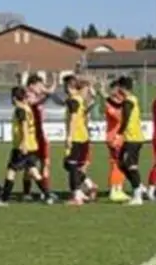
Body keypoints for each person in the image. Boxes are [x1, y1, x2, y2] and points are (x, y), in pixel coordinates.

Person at [0, 85, 47, 204]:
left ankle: (4, 199)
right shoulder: (27, 108)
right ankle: (48, 195)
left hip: (22, 146)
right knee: (33, 171)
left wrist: (23, 143)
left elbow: (24, 126)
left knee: (11, 170)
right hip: (32, 145)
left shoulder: (20, 109)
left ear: (14, 98)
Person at [63, 75, 98, 205]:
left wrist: (69, 137)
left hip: (77, 138)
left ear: (68, 86)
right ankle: (89, 185)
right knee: (72, 165)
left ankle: (77, 196)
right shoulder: (79, 99)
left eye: (65, 86)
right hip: (83, 138)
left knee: (72, 166)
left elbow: (73, 119)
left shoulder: (73, 101)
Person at [24, 74, 58, 203]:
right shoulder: (27, 95)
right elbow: (35, 102)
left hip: (40, 135)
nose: (41, 88)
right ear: (32, 86)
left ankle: (46, 191)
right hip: (31, 136)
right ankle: (27, 192)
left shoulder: (38, 96)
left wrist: (51, 87)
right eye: (39, 85)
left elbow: (44, 97)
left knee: (45, 163)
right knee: (30, 167)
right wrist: (47, 93)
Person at [114, 75, 146, 205]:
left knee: (129, 165)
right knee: (122, 164)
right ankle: (139, 186)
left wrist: (119, 134)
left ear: (122, 88)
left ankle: (137, 194)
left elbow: (125, 119)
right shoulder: (131, 99)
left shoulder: (128, 102)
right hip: (134, 138)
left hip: (132, 138)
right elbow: (116, 104)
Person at [103, 81, 127, 202]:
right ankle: (114, 189)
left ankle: (119, 188)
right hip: (114, 137)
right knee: (116, 164)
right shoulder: (109, 105)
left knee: (122, 164)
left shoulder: (122, 103)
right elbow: (117, 117)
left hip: (121, 137)